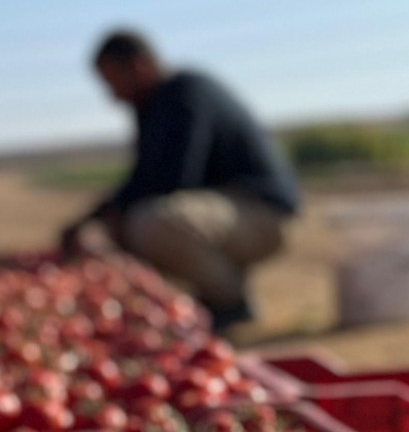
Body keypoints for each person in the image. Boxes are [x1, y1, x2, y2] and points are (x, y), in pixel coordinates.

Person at [59, 29, 299, 330]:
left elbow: (173, 178)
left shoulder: (186, 94)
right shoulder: (150, 108)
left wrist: (105, 217)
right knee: (131, 223)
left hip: (260, 213)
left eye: (112, 81)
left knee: (155, 222)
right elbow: (143, 177)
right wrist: (92, 219)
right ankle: (196, 301)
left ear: (138, 66)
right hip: (221, 211)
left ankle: (230, 302)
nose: (112, 95)